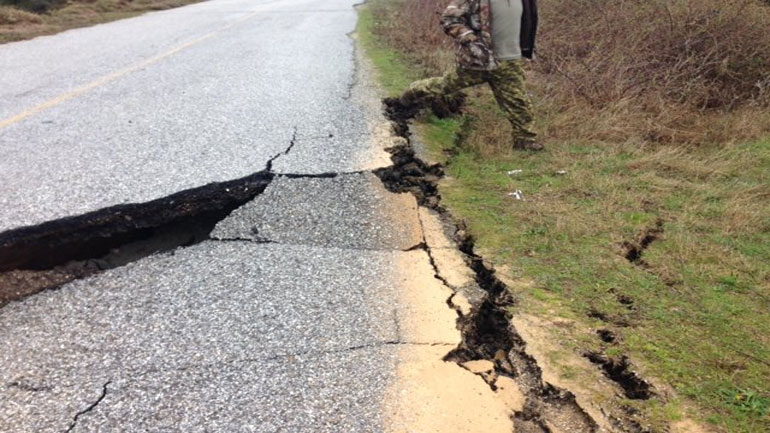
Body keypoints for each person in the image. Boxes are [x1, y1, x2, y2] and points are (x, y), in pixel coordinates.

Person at [391, 0, 542, 151]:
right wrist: (469, 38)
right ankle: (412, 92)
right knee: (444, 86)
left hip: (510, 62)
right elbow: (449, 19)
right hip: (478, 60)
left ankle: (525, 142)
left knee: (519, 103)